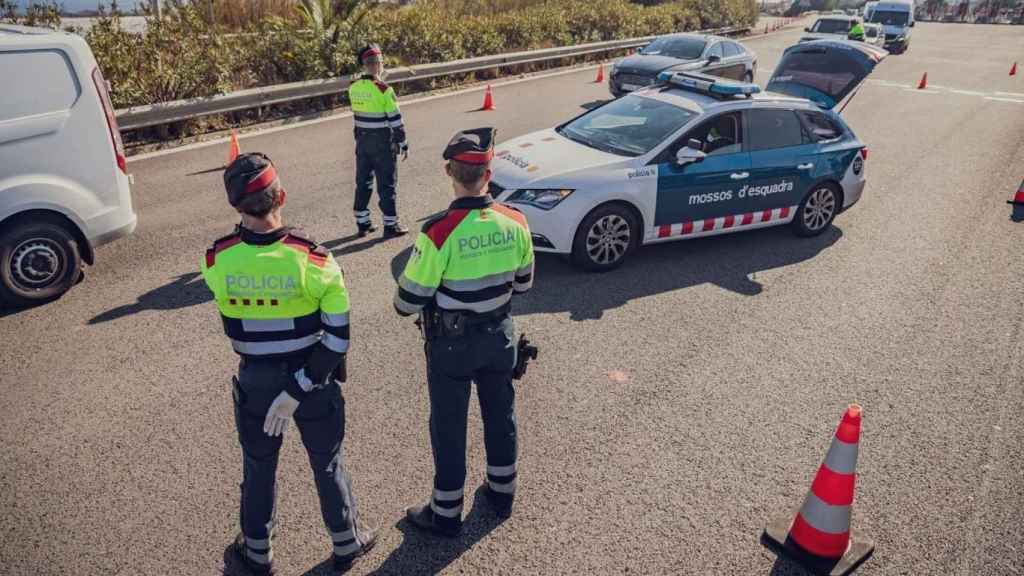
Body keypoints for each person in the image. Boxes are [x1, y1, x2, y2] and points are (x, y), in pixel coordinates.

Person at [201, 153, 376, 575]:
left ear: (236, 206)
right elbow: (337, 340)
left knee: (259, 465)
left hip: (255, 383)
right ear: (281, 195)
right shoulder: (315, 260)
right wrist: (299, 385)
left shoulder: (216, 259)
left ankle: (257, 553)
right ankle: (347, 541)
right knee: (327, 461)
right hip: (313, 380)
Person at [393, 127, 535, 536]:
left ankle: (446, 514)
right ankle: (502, 492)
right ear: (489, 172)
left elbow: (406, 303)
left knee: (450, 426)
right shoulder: (516, 221)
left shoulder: (438, 231)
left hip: (452, 346)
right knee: (501, 414)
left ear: (448, 172)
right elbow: (523, 284)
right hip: (500, 336)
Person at [348, 43, 409, 238]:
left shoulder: (353, 87)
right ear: (370, 64)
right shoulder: (384, 89)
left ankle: (363, 223)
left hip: (362, 142)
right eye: (375, 62)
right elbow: (395, 119)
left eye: (378, 61)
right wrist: (402, 142)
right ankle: (391, 225)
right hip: (382, 142)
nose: (377, 65)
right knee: (387, 184)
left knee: (363, 182)